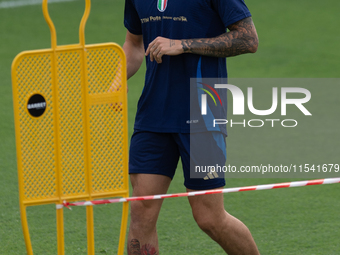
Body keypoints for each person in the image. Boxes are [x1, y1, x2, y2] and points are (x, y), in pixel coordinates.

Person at [123, 0, 259, 254]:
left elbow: (248, 39)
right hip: (152, 116)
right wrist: (113, 79)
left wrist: (182, 45)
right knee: (141, 211)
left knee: (209, 218)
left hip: (203, 114)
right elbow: (133, 44)